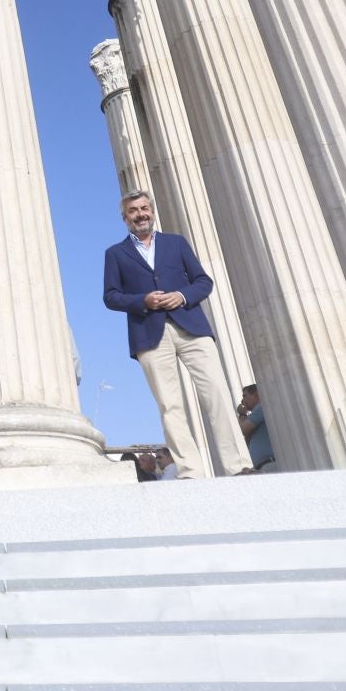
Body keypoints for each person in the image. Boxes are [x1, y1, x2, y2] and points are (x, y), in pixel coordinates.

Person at [102, 190, 254, 479]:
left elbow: (202, 282)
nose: (140, 214)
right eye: (133, 211)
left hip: (191, 327)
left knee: (217, 393)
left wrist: (182, 296)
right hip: (149, 334)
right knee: (170, 405)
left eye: (144, 208)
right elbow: (111, 296)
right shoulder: (115, 254)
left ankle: (238, 466)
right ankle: (190, 471)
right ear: (125, 218)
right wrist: (142, 301)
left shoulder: (176, 243)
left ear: (152, 211)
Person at [238, 383, 273, 471]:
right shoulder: (256, 412)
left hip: (269, 463)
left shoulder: (261, 408)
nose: (242, 401)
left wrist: (242, 413)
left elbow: (243, 430)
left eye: (245, 396)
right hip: (262, 465)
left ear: (256, 395)